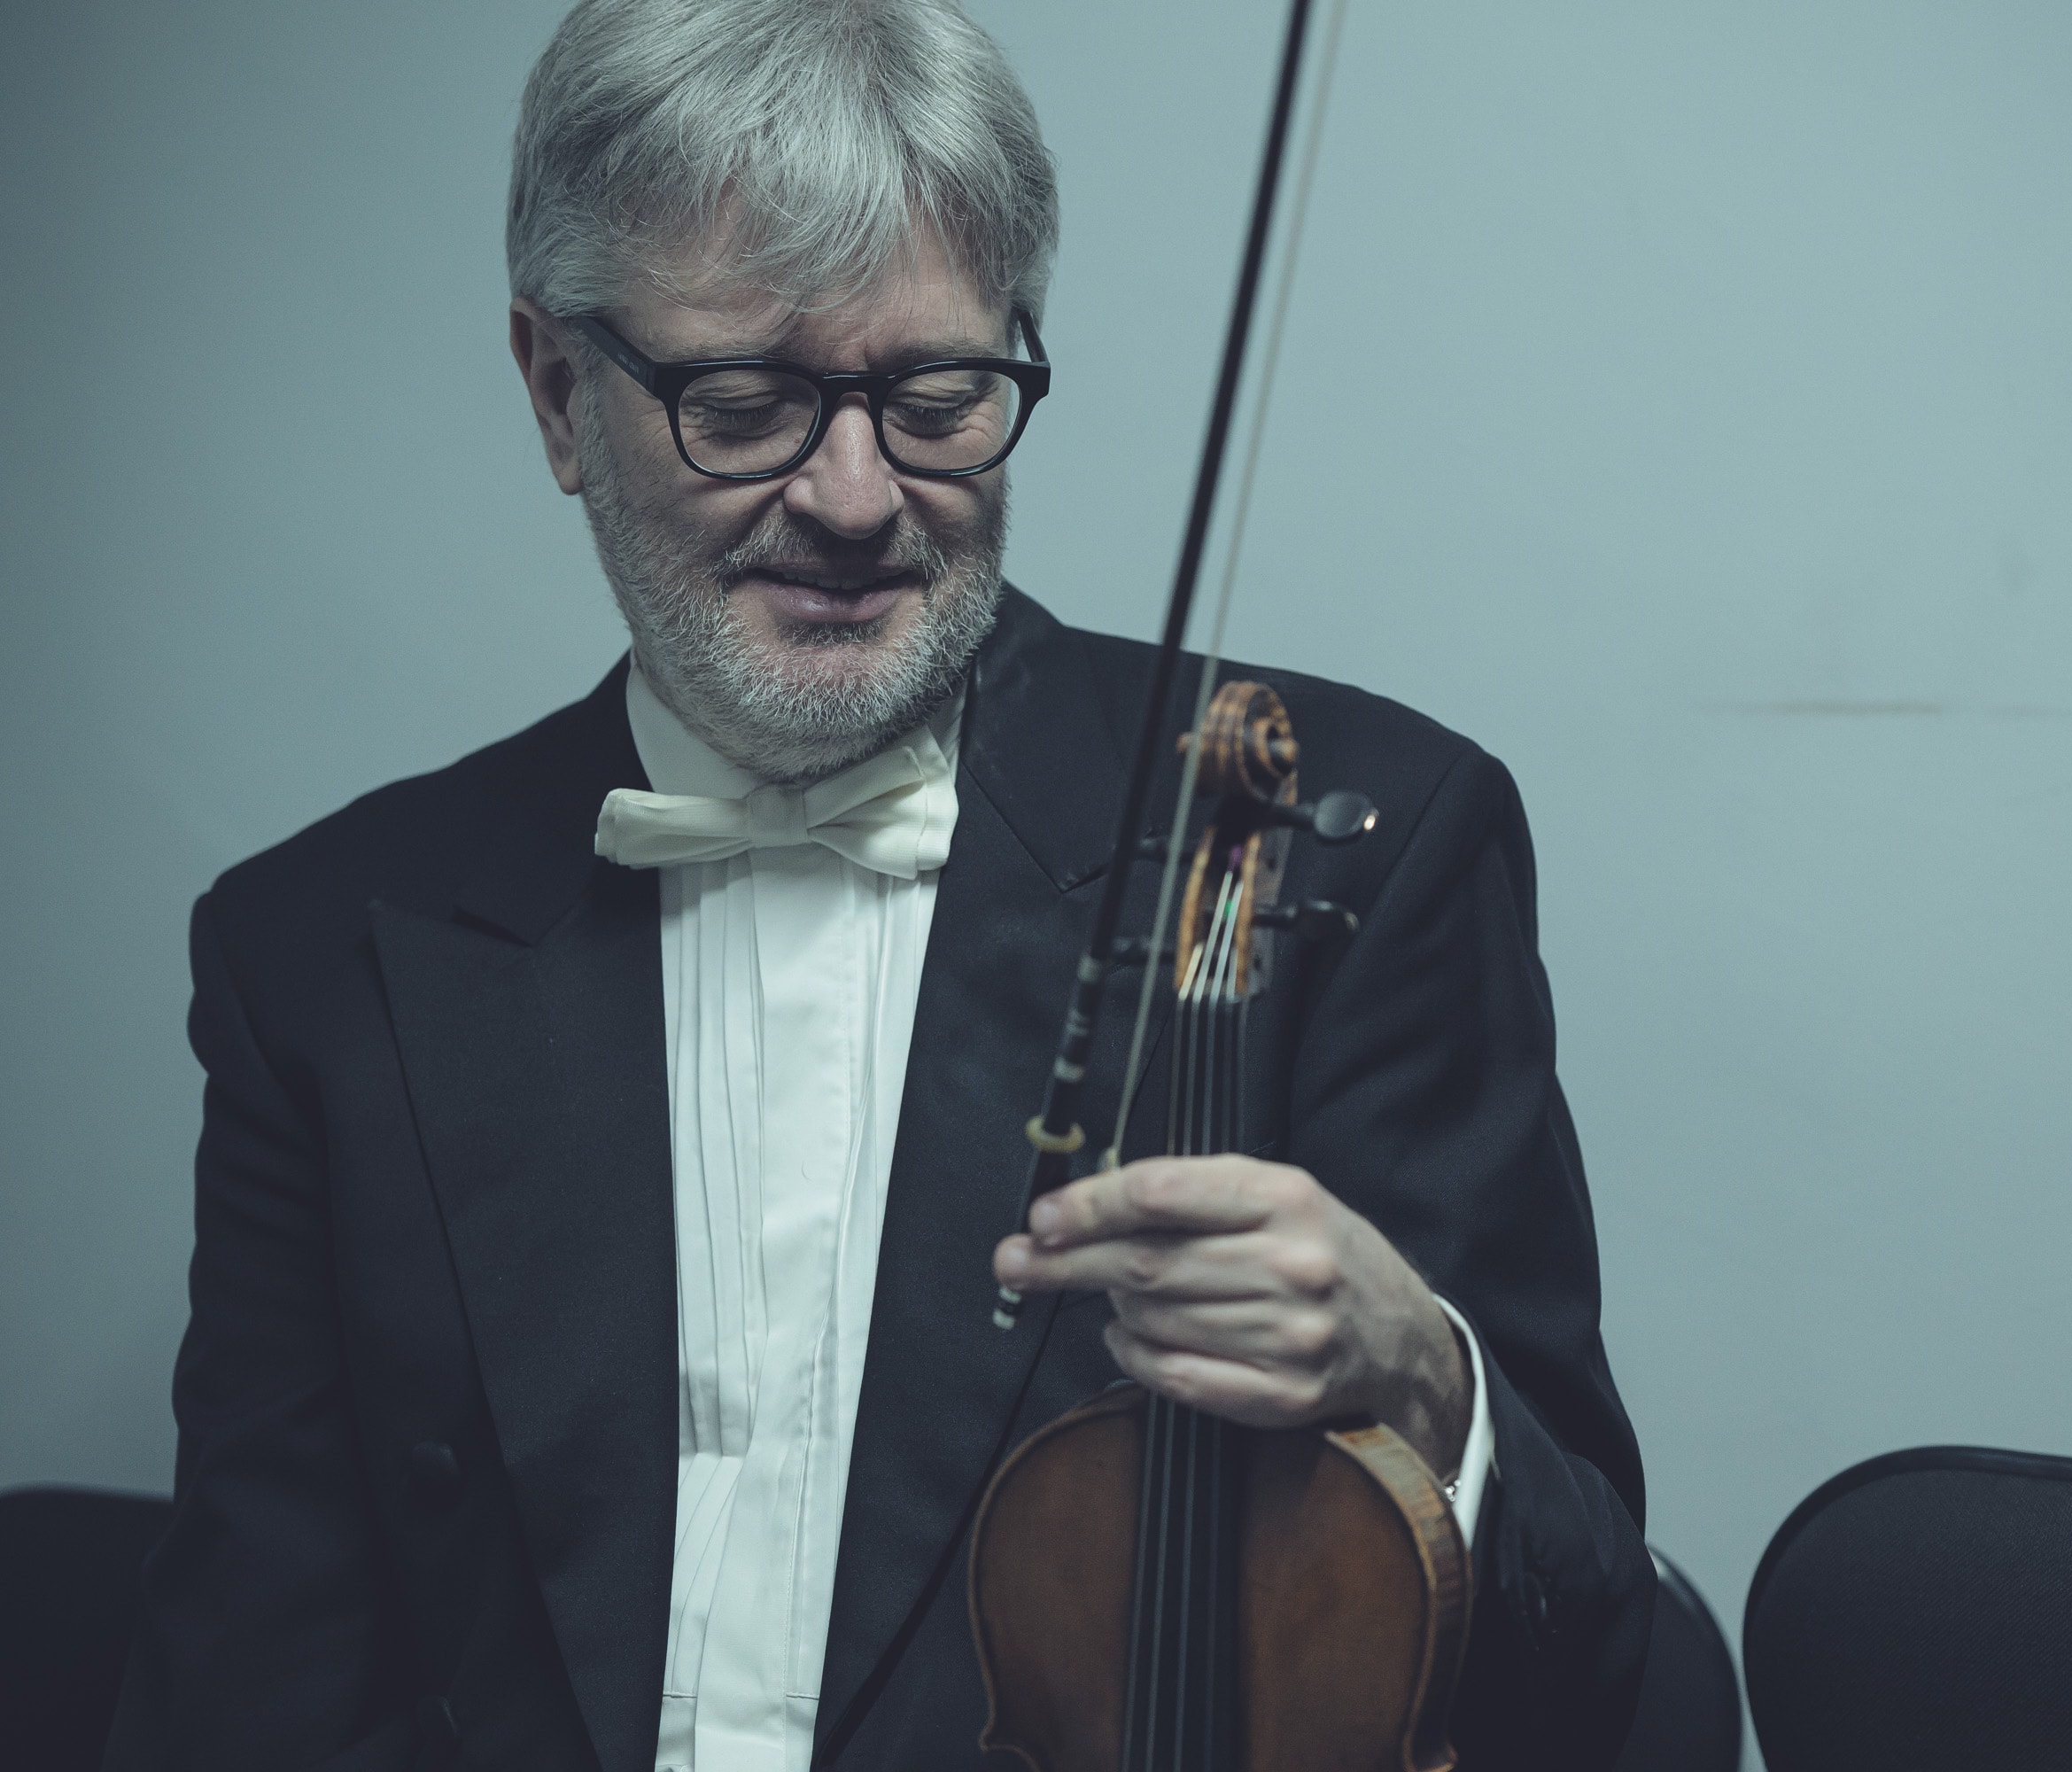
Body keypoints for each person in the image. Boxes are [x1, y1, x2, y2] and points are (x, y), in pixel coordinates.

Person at [107, 2, 1652, 1767]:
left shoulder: (1353, 848)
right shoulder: (322, 954)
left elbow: (1608, 1680)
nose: (856, 500)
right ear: (558, 393)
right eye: (745, 404)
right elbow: (249, 1700)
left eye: (936, 401)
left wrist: (1424, 1376)